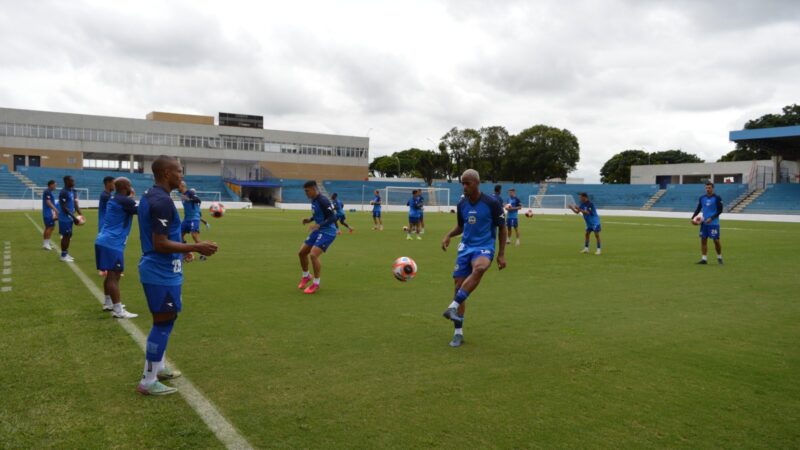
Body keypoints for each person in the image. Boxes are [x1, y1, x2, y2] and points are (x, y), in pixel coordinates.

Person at [136, 156, 218, 396]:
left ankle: (158, 368)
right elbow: (159, 243)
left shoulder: (153, 196)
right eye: (179, 172)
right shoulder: (160, 201)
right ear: (166, 174)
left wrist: (181, 249)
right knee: (162, 323)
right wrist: (195, 247)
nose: (182, 176)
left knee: (166, 320)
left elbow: (165, 236)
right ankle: (148, 381)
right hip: (159, 271)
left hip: (164, 269)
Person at [441, 169, 507, 347]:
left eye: (467, 183)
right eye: (462, 183)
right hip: (465, 248)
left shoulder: (492, 203)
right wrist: (448, 235)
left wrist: (501, 254)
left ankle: (452, 307)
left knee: (480, 268)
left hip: (484, 247)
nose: (464, 186)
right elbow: (461, 227)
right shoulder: (462, 203)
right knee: (458, 287)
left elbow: (502, 228)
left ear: (477, 183)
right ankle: (458, 333)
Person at [95, 177, 138, 319]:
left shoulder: (116, 198)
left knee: (112, 275)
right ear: (126, 187)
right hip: (112, 243)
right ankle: (118, 310)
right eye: (130, 185)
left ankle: (108, 303)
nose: (132, 188)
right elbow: (142, 210)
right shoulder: (125, 201)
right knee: (114, 275)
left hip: (104, 240)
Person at [297, 180, 338, 294]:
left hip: (328, 231)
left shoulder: (323, 200)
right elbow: (318, 214)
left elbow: (333, 218)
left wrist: (318, 225)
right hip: (318, 230)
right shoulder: (314, 200)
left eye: (307, 191)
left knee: (313, 255)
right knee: (302, 253)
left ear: (314, 189)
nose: (306, 193)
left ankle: (316, 283)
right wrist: (309, 219)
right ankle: (306, 276)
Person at [692, 182, 723, 265]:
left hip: (714, 223)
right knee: (703, 240)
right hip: (704, 223)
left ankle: (719, 257)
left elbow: (720, 210)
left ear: (712, 188)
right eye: (706, 188)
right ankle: (704, 259)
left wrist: (712, 218)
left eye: (709, 188)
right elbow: (698, 209)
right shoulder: (702, 198)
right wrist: (692, 218)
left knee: (716, 240)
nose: (708, 189)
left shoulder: (717, 198)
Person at [178, 181, 207, 261]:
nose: (177, 187)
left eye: (178, 186)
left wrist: (188, 199)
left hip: (194, 218)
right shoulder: (182, 195)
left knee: (194, 236)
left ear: (182, 186)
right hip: (186, 219)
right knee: (178, 235)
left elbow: (198, 200)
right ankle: (187, 252)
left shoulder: (189, 192)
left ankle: (203, 254)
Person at [57, 175, 83, 262]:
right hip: (65, 218)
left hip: (70, 218)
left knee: (68, 236)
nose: (73, 182)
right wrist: (74, 217)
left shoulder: (72, 191)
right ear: (66, 182)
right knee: (66, 236)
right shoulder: (63, 192)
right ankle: (63, 256)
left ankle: (65, 253)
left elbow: (75, 204)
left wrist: (80, 214)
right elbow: (64, 207)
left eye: (73, 181)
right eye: (72, 181)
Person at [41, 180, 58, 250]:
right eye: (54, 185)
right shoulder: (47, 191)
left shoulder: (48, 192)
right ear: (50, 185)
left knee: (48, 227)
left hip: (48, 212)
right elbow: (48, 202)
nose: (55, 186)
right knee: (50, 227)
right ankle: (46, 244)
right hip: (48, 213)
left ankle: (46, 244)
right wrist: (55, 209)